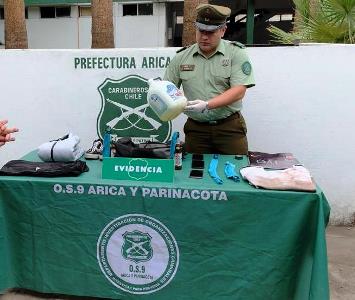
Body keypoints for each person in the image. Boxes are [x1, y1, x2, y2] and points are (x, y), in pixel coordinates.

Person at [164, 4, 255, 154]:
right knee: (194, 174)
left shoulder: (236, 53)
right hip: (196, 129)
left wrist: (207, 104)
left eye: (211, 32)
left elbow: (239, 91)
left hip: (229, 128)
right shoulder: (181, 57)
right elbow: (167, 88)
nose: (204, 36)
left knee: (236, 171)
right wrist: (160, 93)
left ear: (223, 30)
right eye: (201, 30)